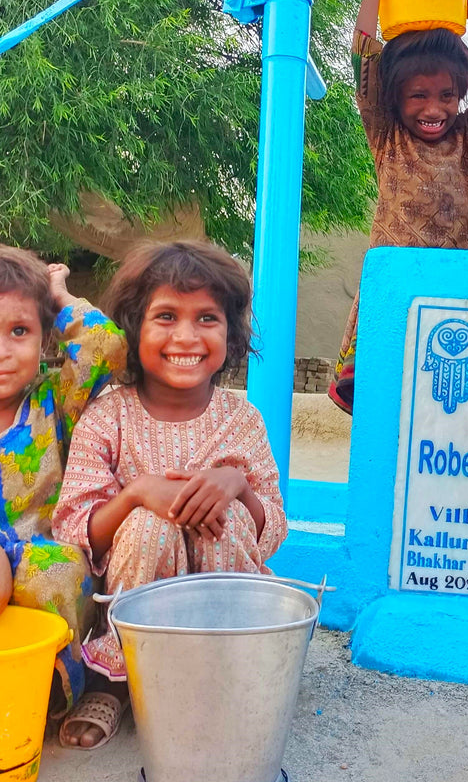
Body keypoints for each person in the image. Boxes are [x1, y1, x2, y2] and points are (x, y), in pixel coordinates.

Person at [53, 239, 288, 749]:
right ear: (135, 329)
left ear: (232, 333)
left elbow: (272, 529)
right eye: (166, 316)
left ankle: (221, 677)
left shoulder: (242, 420)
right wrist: (136, 494)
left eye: (208, 318)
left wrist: (239, 488)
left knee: (231, 518)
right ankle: (113, 681)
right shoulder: (108, 415)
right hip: (136, 599)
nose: (187, 335)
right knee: (149, 526)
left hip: (222, 611)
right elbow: (75, 527)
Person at [0, 244, 126, 718]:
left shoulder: (53, 407)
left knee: (55, 569)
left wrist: (58, 297)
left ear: (44, 339)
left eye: (20, 331)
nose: (0, 351)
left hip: (44, 567)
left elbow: (107, 349)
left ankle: (47, 693)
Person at [328, 0, 468, 414]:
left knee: (465, 395)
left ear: (459, 95)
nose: (434, 108)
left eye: (445, 94)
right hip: (401, 283)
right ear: (395, 99)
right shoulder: (387, 135)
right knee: (391, 394)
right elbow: (362, 60)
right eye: (418, 95)